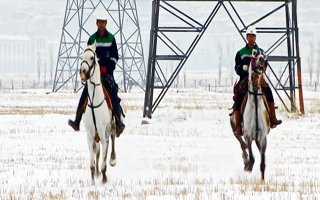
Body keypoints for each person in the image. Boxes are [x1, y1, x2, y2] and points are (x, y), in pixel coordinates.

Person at [68, 11, 125, 137]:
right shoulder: (92, 39)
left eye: (103, 22)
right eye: (99, 22)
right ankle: (77, 121)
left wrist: (108, 67)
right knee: (84, 94)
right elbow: (88, 57)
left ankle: (119, 122)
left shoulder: (111, 38)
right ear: (96, 23)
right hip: (94, 75)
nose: (101, 24)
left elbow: (115, 56)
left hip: (107, 74)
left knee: (113, 93)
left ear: (106, 23)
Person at [233, 26, 282, 136]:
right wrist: (243, 69)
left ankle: (272, 117)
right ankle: (238, 125)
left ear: (255, 37)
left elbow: (265, 65)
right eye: (249, 36)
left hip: (258, 78)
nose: (251, 38)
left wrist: (261, 69)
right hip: (245, 79)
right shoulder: (240, 53)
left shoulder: (261, 52)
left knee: (268, 90)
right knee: (239, 95)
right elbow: (236, 68)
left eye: (253, 36)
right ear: (246, 37)